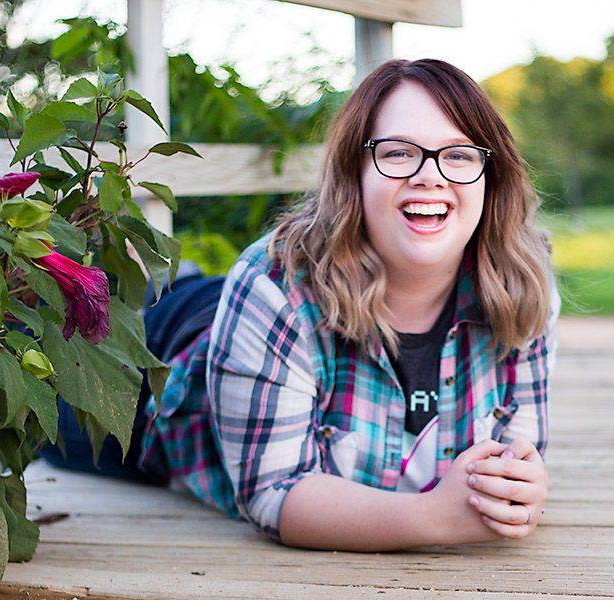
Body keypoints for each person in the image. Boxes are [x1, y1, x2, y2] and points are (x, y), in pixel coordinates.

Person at [47, 58, 560, 551]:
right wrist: (434, 517)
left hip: (259, 331)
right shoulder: (273, 285)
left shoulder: (522, 278)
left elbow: (517, 458)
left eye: (459, 154)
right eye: (399, 152)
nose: (430, 175)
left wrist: (515, 491)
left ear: (492, 179)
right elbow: (274, 491)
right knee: (38, 385)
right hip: (158, 369)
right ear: (353, 172)